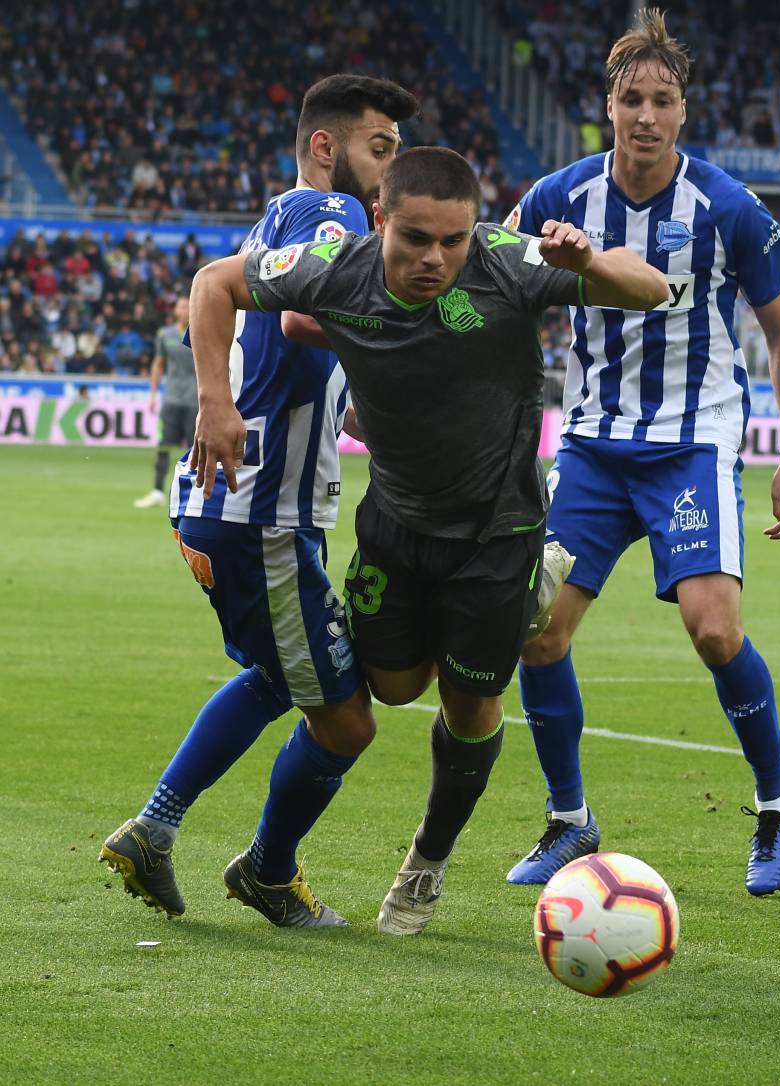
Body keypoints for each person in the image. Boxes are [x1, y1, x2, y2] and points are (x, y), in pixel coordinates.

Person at [187, 145, 668, 935]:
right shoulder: (333, 266)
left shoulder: (512, 262)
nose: (435, 258)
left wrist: (589, 262)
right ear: (378, 220)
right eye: (415, 238)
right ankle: (514, 612)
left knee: (471, 703)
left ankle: (427, 862)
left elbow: (649, 289)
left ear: (475, 230)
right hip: (397, 529)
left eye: (453, 240)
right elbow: (216, 282)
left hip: (496, 536)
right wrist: (215, 399)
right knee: (395, 689)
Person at [503, 8, 780, 897]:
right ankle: (570, 822)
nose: (645, 114)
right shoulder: (560, 196)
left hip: (694, 444)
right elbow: (494, 278)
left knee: (714, 630)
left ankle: (776, 804)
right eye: (631, 98)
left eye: (661, 100)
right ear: (608, 106)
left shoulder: (725, 205)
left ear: (683, 112)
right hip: (595, 448)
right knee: (537, 629)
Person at [101, 74, 419, 927]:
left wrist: (363, 409)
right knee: (348, 722)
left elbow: (303, 344)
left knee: (278, 678)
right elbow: (303, 323)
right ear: (327, 147)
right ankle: (268, 872)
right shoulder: (335, 216)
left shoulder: (287, 217)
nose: (387, 171)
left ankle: (155, 833)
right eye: (378, 149)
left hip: (243, 509)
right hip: (261, 515)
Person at [133, 296, 196, 507]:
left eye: (188, 306)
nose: (184, 309)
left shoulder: (203, 331)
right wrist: (152, 394)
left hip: (196, 401)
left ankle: (195, 493)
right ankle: (157, 491)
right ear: (175, 310)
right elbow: (158, 364)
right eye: (181, 306)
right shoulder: (165, 334)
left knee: (196, 450)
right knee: (163, 446)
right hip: (171, 399)